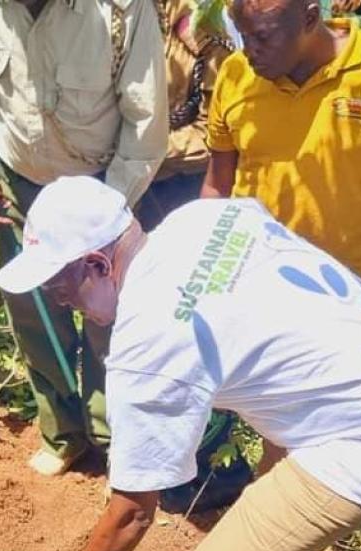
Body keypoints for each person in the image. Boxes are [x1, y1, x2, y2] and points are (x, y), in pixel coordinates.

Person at [0, 175, 361, 551]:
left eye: (58, 284)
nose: (57, 299)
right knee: (272, 489)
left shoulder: (146, 343)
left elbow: (132, 514)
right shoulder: (204, 218)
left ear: (97, 265)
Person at [202, 0, 361, 472]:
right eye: (243, 34)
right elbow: (218, 182)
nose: (249, 50)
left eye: (264, 37)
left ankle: (275, 518)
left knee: (302, 429)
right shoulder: (234, 75)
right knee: (254, 410)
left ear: (310, 18)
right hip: (249, 283)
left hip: (336, 296)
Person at [0, 0, 168, 475]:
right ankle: (65, 433)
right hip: (21, 185)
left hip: (106, 184)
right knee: (38, 312)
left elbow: (145, 119)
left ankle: (117, 442)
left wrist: (104, 217)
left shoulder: (120, 10)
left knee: (112, 319)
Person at [135, 0, 251, 513]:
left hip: (186, 183)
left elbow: (219, 125)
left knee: (197, 329)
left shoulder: (204, 22)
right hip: (140, 180)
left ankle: (213, 467)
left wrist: (146, 154)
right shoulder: (132, 14)